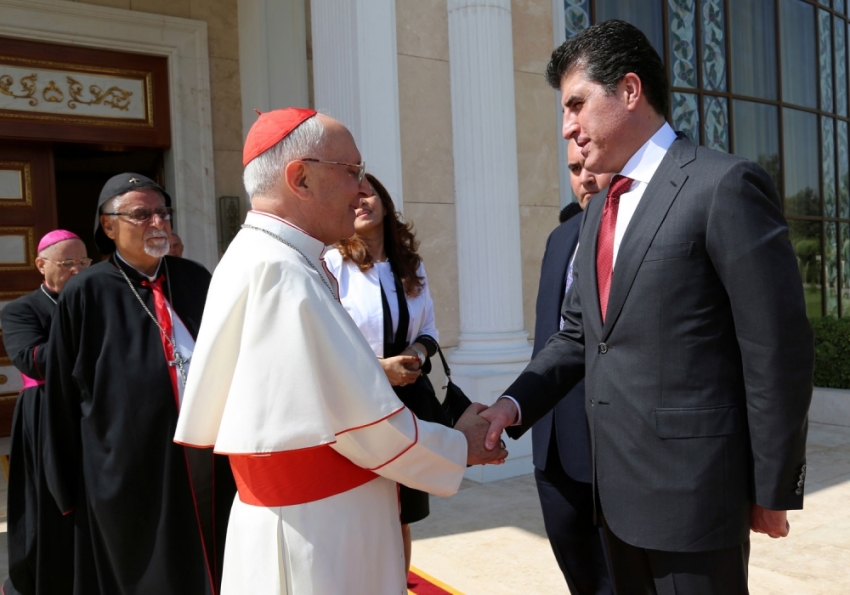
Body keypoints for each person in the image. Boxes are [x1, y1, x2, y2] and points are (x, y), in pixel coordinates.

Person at [482, 20, 813, 594]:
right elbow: (578, 336)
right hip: (613, 501)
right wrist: (512, 406)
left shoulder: (723, 185)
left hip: (696, 501)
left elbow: (776, 349)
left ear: (630, 90)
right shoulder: (596, 210)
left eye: (577, 104)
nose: (569, 127)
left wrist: (772, 486)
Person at [173, 107, 507, 595]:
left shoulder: (267, 258)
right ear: (300, 178)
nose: (359, 188)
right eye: (351, 172)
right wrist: (461, 446)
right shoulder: (281, 272)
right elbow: (366, 428)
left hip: (318, 520)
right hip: (320, 534)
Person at [41, 173, 235, 595]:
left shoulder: (195, 278)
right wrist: (64, 485)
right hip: (128, 467)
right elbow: (59, 394)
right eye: (141, 214)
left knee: (215, 558)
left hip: (207, 455)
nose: (157, 223)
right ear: (108, 226)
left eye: (162, 213)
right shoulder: (85, 293)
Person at [325, 172, 441, 580]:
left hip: (406, 404)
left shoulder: (410, 265)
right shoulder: (332, 264)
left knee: (400, 513)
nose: (360, 202)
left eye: (368, 194)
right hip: (355, 403)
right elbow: (325, 342)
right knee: (361, 509)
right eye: (352, 197)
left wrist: (415, 353)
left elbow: (430, 330)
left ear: (385, 203)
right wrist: (378, 370)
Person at [531, 140, 613, 594]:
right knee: (582, 577)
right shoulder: (560, 238)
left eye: (590, 165)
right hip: (554, 446)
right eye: (573, 167)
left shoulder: (636, 235)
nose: (583, 176)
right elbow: (552, 337)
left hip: (614, 445)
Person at [0, 230, 88, 595]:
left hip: (91, 414)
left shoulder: (97, 301)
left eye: (83, 263)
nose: (77, 271)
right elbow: (33, 361)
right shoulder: (20, 309)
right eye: (67, 264)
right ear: (41, 265)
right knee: (50, 506)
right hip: (45, 418)